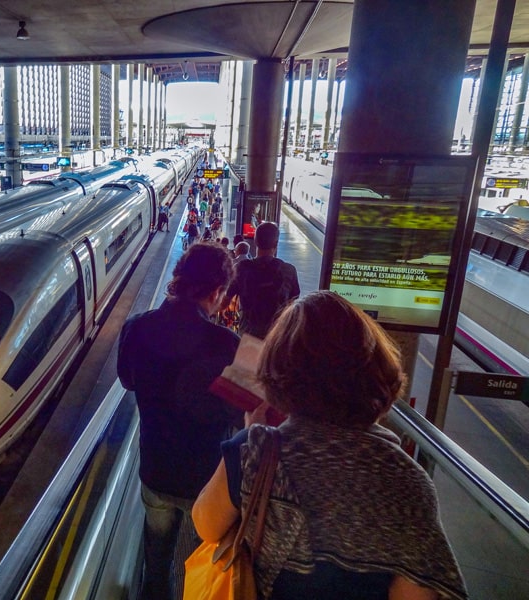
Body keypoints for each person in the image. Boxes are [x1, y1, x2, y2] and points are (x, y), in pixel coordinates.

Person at [192, 291, 467, 600]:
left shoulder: (255, 451)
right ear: (375, 371)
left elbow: (206, 525)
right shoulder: (408, 481)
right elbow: (416, 594)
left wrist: (256, 438)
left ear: (280, 374)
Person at [117, 243, 243, 600]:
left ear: (178, 279)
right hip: (206, 482)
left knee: (156, 557)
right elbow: (239, 413)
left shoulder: (136, 327)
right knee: (200, 562)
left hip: (154, 469)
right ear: (217, 291)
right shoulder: (226, 343)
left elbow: (127, 380)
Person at [224, 221, 300, 339]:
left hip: (248, 337)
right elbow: (293, 306)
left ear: (255, 241)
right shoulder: (289, 271)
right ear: (276, 243)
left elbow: (225, 301)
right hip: (276, 338)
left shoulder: (242, 268)